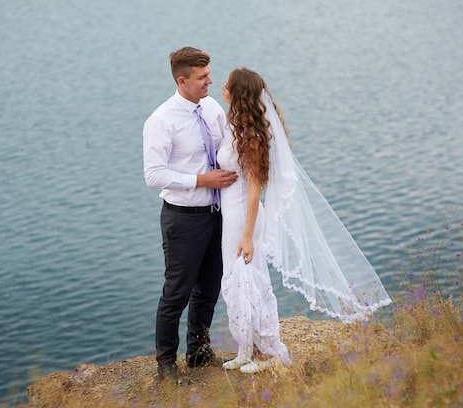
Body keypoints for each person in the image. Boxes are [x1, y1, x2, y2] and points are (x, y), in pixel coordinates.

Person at [217, 68, 392, 374]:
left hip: (244, 217)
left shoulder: (253, 136)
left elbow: (256, 189)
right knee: (235, 283)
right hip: (229, 214)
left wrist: (247, 235)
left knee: (252, 281)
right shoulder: (234, 126)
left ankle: (270, 352)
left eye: (227, 84)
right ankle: (246, 349)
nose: (221, 86)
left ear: (238, 93)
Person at [143, 47, 238, 384]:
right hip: (183, 218)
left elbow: (230, 144)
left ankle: (198, 352)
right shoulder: (161, 120)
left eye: (209, 74)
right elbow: (153, 175)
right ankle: (166, 364)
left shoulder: (211, 107)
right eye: (202, 77)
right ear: (181, 81)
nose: (210, 81)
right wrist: (201, 180)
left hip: (217, 214)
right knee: (177, 291)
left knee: (209, 286)